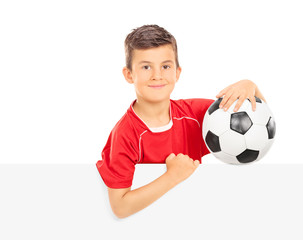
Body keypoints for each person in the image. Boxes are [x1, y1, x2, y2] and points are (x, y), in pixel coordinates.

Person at [96, 25, 266, 219]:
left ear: (177, 73)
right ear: (129, 74)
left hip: (192, 216)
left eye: (166, 66)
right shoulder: (125, 135)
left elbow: (257, 131)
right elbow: (120, 207)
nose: (157, 75)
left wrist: (251, 87)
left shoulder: (196, 114)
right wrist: (172, 176)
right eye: (145, 67)